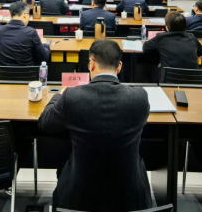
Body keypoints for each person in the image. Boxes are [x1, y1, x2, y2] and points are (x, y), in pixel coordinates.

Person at [38, 40, 152, 212]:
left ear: (91, 64)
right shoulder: (140, 97)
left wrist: (58, 96)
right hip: (129, 198)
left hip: (80, 197)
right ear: (119, 67)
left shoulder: (72, 96)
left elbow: (45, 123)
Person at [0, 1, 51, 66]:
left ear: (10, 15)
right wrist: (45, 44)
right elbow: (44, 57)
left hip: (2, 72)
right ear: (25, 15)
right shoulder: (31, 32)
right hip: (27, 72)